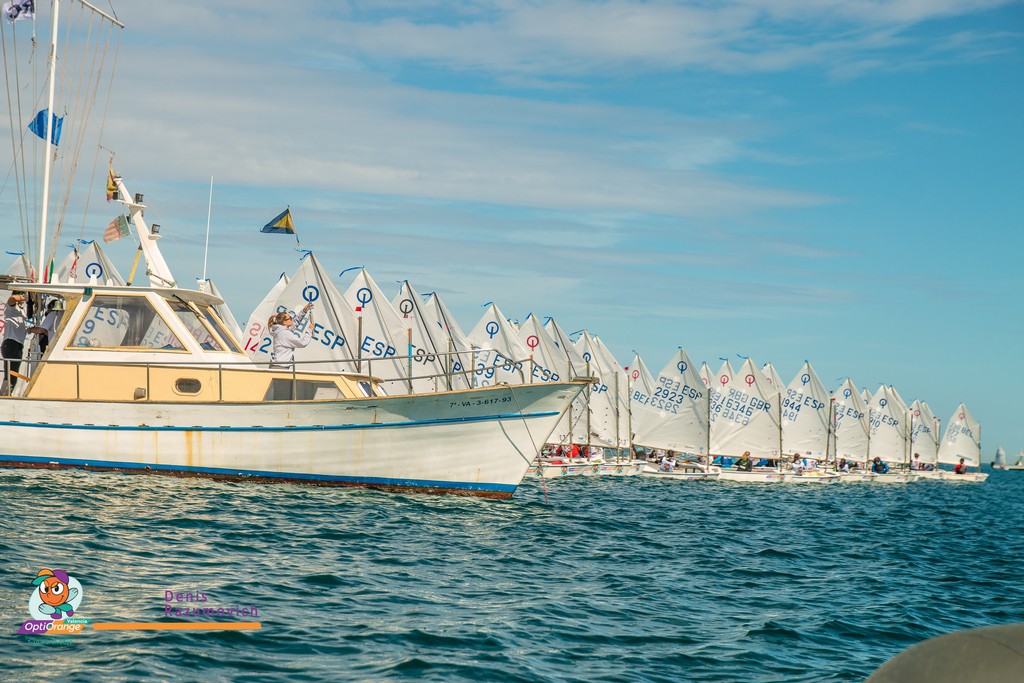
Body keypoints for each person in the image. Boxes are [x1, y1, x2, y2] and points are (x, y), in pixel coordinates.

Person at [2, 292, 45, 394]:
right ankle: (4, 394)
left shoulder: (22, 312)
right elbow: (11, 299)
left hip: (18, 345)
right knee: (10, 372)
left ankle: (8, 393)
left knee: (14, 372)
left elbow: (28, 328)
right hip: (11, 343)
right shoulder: (11, 308)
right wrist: (24, 297)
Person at [267, 303, 314, 370]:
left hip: (277, 365)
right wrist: (309, 330)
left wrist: (304, 310)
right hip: (280, 367)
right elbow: (303, 343)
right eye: (290, 318)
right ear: (284, 322)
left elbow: (295, 322)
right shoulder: (285, 333)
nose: (292, 319)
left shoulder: (280, 330)